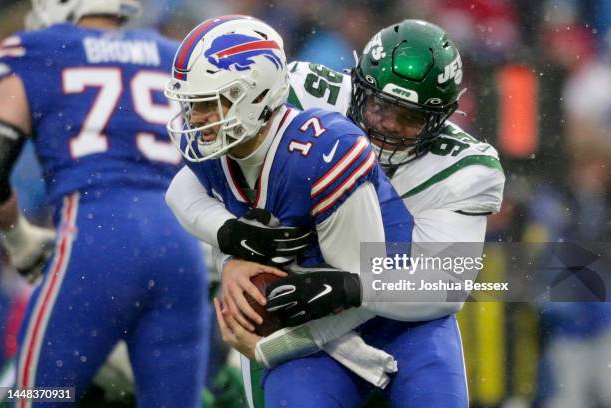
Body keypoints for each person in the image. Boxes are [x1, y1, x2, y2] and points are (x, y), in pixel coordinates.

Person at [165, 15, 473, 408]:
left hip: (404, 309)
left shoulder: (333, 151)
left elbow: (443, 283)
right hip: (311, 314)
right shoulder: (274, 105)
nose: (388, 126)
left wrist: (276, 346)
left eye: (410, 118)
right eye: (378, 105)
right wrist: (232, 242)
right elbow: (181, 193)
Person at [0, 1, 211, 405]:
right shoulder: (170, 55)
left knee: (38, 395)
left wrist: (18, 235)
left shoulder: (38, 49)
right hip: (179, 246)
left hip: (97, 238)